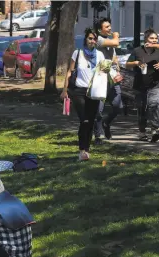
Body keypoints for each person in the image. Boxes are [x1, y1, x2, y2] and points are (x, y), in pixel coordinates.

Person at [60, 28, 106, 161]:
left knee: (91, 121)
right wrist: (65, 90)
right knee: (84, 119)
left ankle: (87, 149)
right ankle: (81, 150)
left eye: (95, 39)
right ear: (85, 39)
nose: (92, 41)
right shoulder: (78, 53)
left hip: (94, 91)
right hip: (79, 91)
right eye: (90, 38)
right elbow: (70, 72)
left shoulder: (100, 55)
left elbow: (103, 73)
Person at [126, 29, 159, 143]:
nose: (154, 40)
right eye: (151, 38)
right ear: (146, 39)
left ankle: (154, 131)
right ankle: (142, 132)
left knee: (154, 106)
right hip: (140, 85)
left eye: (155, 39)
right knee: (142, 109)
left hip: (155, 85)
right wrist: (136, 63)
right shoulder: (137, 51)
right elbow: (127, 65)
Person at [93, 17, 122, 144]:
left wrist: (117, 69)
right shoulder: (98, 40)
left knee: (118, 105)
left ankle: (106, 122)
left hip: (113, 78)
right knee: (98, 109)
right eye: (107, 27)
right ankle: (98, 136)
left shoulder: (109, 41)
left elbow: (114, 58)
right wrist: (116, 36)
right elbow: (116, 43)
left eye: (110, 26)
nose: (110, 28)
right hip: (100, 79)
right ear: (100, 30)